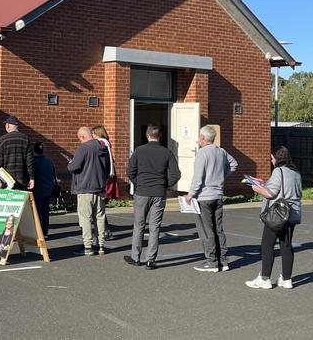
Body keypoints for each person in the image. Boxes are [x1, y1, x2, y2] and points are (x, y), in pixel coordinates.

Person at [124, 123, 181, 270]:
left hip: (142, 191)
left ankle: (136, 257)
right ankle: (150, 260)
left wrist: (137, 183)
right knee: (155, 227)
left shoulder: (139, 151)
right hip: (159, 192)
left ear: (147, 135)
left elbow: (130, 171)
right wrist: (166, 185)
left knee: (139, 225)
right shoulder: (166, 152)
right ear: (160, 135)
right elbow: (176, 174)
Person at [245, 146, 302, 289]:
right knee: (286, 245)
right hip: (292, 214)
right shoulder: (295, 172)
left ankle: (265, 278)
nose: (271, 161)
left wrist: (256, 188)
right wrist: (265, 184)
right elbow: (286, 189)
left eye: (272, 158)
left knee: (267, 245)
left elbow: (270, 194)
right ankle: (287, 279)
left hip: (278, 214)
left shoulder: (278, 171)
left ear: (277, 158)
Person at [186, 125, 238, 272]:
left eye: (199, 137)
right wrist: (222, 176)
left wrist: (190, 194)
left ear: (203, 138)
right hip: (218, 195)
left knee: (207, 229)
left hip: (204, 196)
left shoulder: (202, 153)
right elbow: (234, 164)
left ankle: (211, 261)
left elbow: (198, 178)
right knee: (218, 228)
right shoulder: (221, 151)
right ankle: (223, 260)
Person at [68, 126, 110, 256]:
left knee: (85, 218)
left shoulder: (84, 148)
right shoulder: (103, 147)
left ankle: (87, 246)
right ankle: (101, 245)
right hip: (100, 187)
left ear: (82, 137)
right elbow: (108, 168)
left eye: (79, 139)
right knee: (100, 217)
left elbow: (73, 166)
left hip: (85, 187)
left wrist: (70, 163)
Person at [0, 115, 35, 190]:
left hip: (6, 182)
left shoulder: (3, 140)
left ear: (8, 126)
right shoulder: (26, 139)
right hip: (22, 180)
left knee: (7, 202)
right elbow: (29, 162)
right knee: (20, 201)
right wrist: (32, 178)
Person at [92, 125, 116, 240]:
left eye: (93, 133)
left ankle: (105, 231)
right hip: (107, 177)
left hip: (104, 178)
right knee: (99, 206)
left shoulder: (101, 143)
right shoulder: (106, 142)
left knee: (99, 206)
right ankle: (104, 230)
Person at [32, 142, 56, 238]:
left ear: (34, 150)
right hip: (48, 189)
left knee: (38, 212)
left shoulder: (33, 161)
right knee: (45, 211)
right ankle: (45, 232)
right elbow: (53, 173)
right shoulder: (49, 160)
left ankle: (40, 232)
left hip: (37, 189)